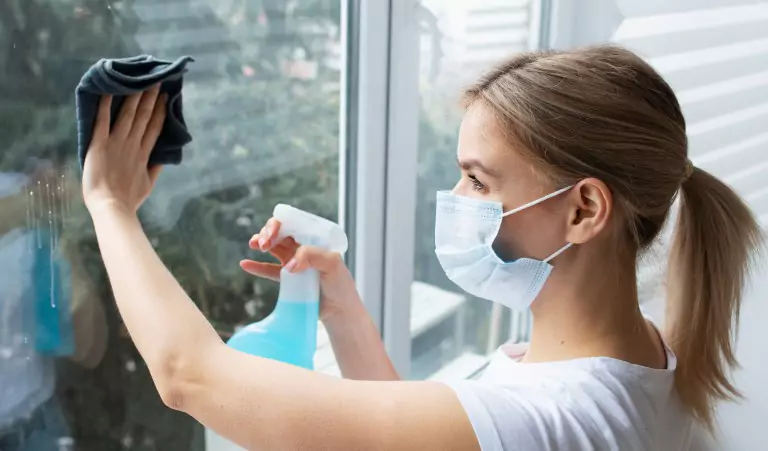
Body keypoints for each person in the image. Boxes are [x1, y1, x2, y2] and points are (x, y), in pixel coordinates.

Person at [79, 45, 763, 450]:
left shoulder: (555, 417)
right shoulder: (643, 355)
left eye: (476, 179)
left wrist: (109, 204)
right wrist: (338, 300)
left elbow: (190, 376)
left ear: (584, 209)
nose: (456, 200)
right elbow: (431, 429)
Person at [0, 165, 107, 451]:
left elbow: (89, 349)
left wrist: (65, 243)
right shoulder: (31, 199)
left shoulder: (36, 193)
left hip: (33, 427)